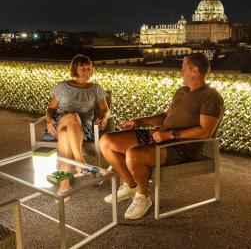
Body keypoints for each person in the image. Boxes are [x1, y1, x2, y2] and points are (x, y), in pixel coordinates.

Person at [100, 53, 224, 220]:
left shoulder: (211, 96)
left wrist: (169, 135)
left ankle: (143, 197)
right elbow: (166, 117)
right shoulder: (181, 91)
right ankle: (131, 186)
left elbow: (205, 131)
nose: (180, 71)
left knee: (134, 155)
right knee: (107, 141)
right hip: (160, 136)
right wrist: (138, 121)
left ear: (195, 70)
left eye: (183, 67)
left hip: (180, 146)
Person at [46, 54, 110, 191]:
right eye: (83, 69)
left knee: (64, 135)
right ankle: (80, 162)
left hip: (82, 129)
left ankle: (65, 184)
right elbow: (51, 108)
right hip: (58, 123)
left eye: (89, 68)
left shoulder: (96, 88)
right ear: (75, 70)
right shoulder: (63, 86)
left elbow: (106, 109)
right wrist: (49, 119)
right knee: (72, 117)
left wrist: (104, 117)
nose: (87, 71)